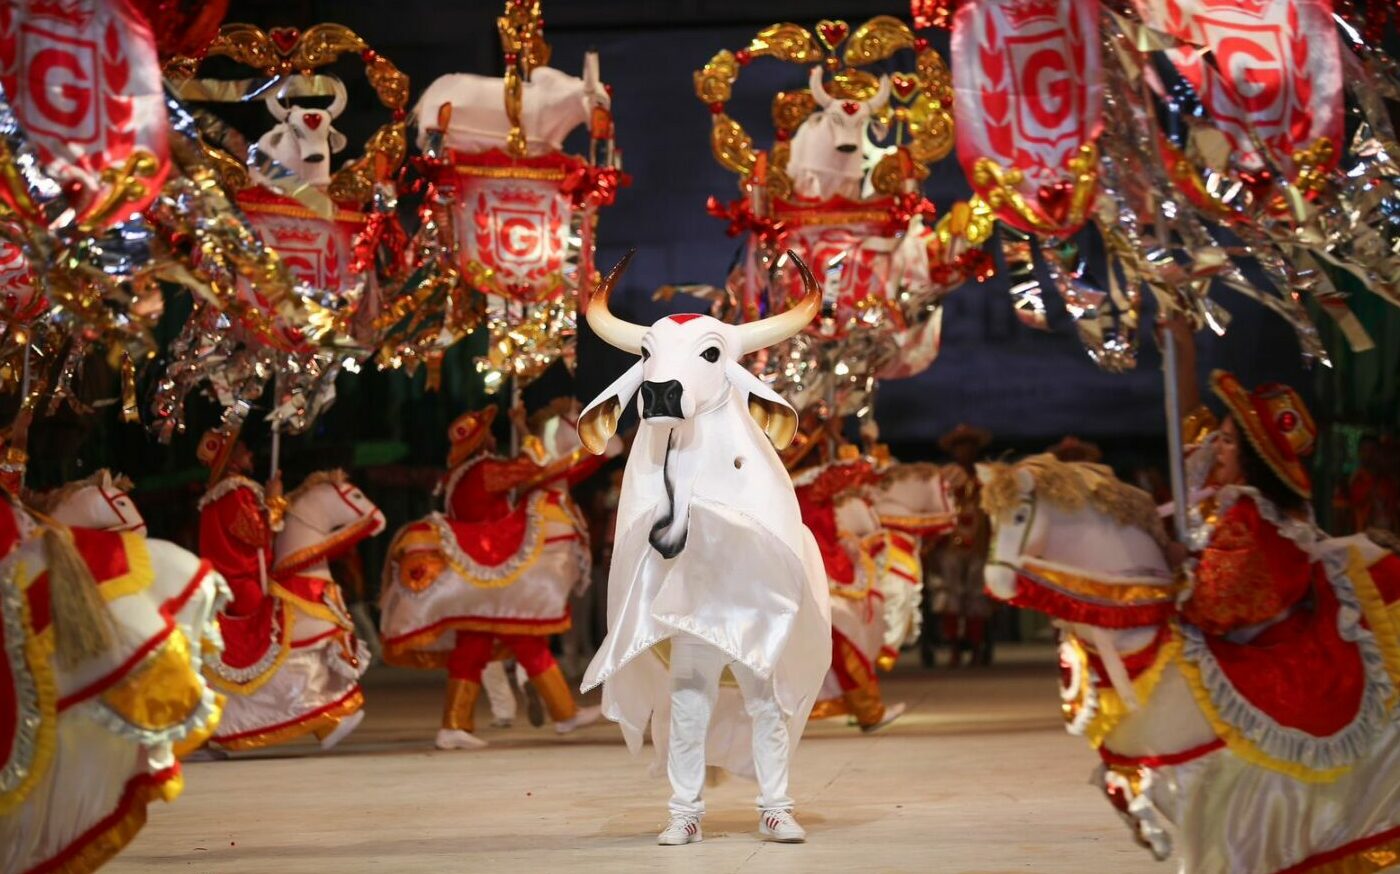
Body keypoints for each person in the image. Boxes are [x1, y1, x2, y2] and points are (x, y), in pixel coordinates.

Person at [379, 406, 605, 749]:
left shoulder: (460, 473)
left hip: (478, 567)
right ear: (481, 440)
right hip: (491, 563)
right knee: (520, 637)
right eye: (489, 432)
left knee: (479, 644)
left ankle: (456, 724)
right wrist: (527, 433)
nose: (494, 436)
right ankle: (564, 714)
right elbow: (531, 468)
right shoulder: (483, 470)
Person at [928, 423, 994, 667]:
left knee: (978, 594)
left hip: (979, 543)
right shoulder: (944, 476)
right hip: (950, 544)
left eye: (969, 446)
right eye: (959, 447)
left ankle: (977, 647)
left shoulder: (986, 476)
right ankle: (955, 647)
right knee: (950, 593)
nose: (964, 451)